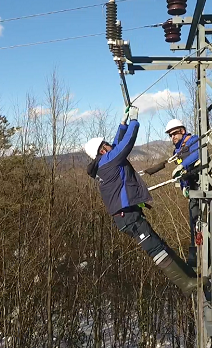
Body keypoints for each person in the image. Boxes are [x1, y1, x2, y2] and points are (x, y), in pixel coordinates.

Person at [85, 106, 197, 295]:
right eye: (106, 144)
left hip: (128, 215)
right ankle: (187, 285)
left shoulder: (103, 162)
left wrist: (122, 124)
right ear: (102, 150)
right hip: (127, 217)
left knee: (159, 244)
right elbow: (126, 143)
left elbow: (116, 142)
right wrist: (134, 121)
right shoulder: (109, 161)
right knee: (155, 249)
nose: (109, 145)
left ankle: (190, 277)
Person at [164, 119, 201, 268]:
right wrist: (183, 186)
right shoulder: (176, 152)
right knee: (194, 221)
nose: (173, 137)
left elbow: (199, 153)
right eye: (170, 135)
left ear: (182, 131)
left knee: (205, 220)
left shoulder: (194, 140)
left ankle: (208, 252)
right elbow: (182, 174)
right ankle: (195, 255)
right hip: (192, 186)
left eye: (174, 134)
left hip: (204, 184)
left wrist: (182, 165)